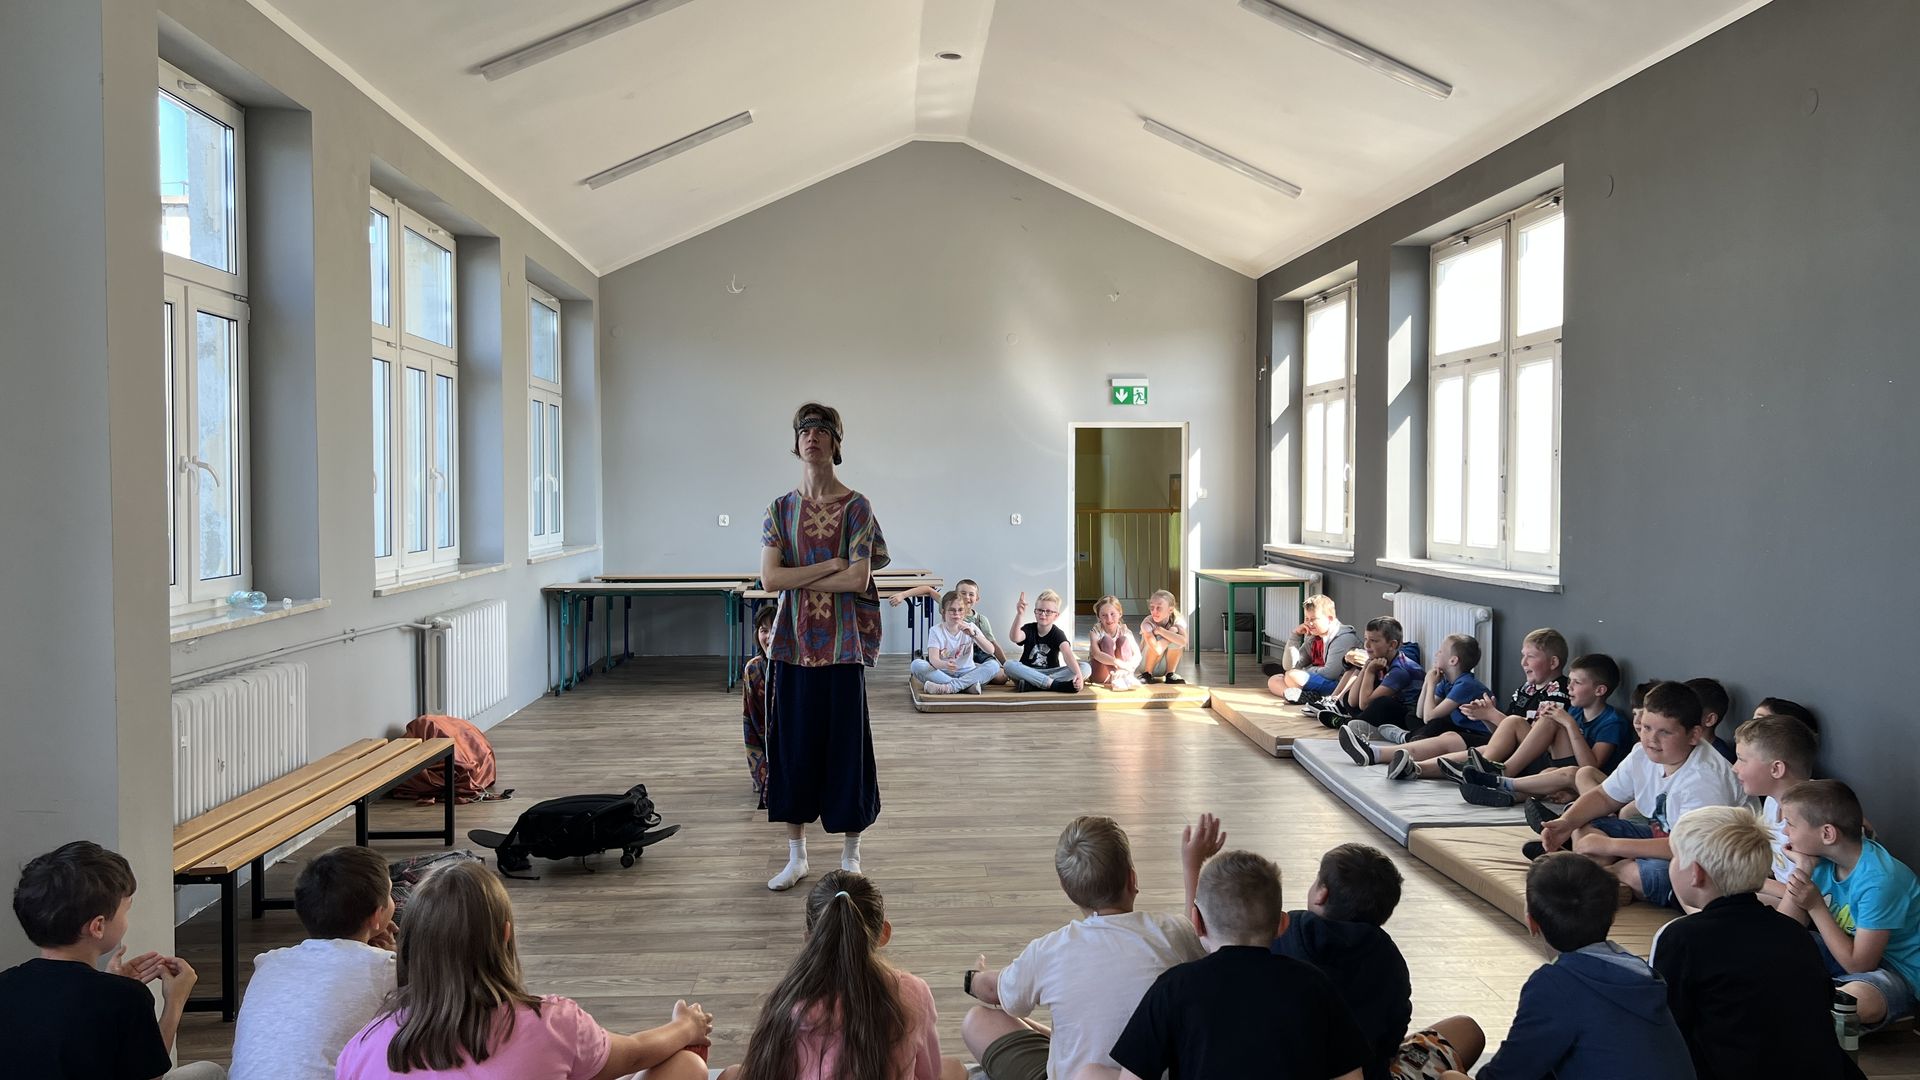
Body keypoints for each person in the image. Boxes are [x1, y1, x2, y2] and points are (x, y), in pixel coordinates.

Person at [337, 860, 709, 1080]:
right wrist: (686, 1027)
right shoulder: (553, 1023)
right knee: (686, 1065)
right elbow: (636, 1054)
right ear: (505, 936)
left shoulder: (362, 1048)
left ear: (411, 945)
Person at [1081, 847, 1370, 1080]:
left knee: (1089, 1073)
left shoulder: (1173, 986)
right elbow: (1351, 1076)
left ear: (1196, 922)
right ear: (1282, 924)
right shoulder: (1315, 984)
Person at [959, 815, 1210, 1080]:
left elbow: (994, 991)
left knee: (978, 1021)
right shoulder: (1172, 932)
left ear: (1066, 889)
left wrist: (973, 979)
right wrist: (1192, 866)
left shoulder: (1048, 951)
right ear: (1132, 879)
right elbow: (1196, 933)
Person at [758, 402, 889, 891]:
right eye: (805, 430)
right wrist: (830, 565)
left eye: (821, 429)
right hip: (792, 646)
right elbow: (770, 579)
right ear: (796, 443)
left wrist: (805, 575)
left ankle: (851, 855)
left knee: (846, 750)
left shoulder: (857, 507)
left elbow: (859, 579)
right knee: (793, 749)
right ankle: (797, 857)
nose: (812, 436)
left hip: (842, 647)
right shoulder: (780, 509)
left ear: (836, 442)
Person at [1440, 853, 1693, 1080]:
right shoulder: (1639, 970)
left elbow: (1512, 1070)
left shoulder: (1556, 984)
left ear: (1532, 923)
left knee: (1449, 1077)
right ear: (1613, 915)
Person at [1648, 806, 1856, 1080]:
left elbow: (1661, 1024)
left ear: (1696, 873)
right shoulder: (1794, 933)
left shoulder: (1679, 938)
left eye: (1675, 857)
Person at [0, 840, 221, 1080]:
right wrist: (175, 1003)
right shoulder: (126, 998)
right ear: (98, 926)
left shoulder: (6, 984)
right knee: (210, 1072)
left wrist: (110, 983)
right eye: (126, 911)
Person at [722, 871, 967, 1080]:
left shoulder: (788, 996)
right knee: (955, 1068)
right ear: (884, 933)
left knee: (732, 1073)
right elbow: (930, 1072)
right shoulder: (914, 991)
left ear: (809, 938)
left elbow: (765, 1068)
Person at [1272, 842, 1485, 1080]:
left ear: (1322, 894)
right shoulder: (1390, 960)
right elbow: (1391, 1039)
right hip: (1367, 1072)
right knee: (1466, 1029)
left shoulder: (1281, 933)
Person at [1535, 681, 1747, 909]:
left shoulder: (1705, 779)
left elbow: (1687, 849)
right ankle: (1596, 870)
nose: (1651, 739)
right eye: (1646, 728)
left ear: (1694, 735)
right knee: (1583, 819)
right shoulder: (1642, 754)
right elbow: (1604, 797)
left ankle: (1596, 872)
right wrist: (1565, 823)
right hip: (1661, 838)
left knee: (1652, 874)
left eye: (1664, 732)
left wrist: (1611, 846)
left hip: (1708, 864)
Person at [228, 846, 398, 1080]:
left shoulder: (269, 962)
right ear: (377, 915)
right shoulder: (385, 968)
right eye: (390, 893)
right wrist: (394, 957)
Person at [1776, 779, 1920, 1033]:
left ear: (1827, 834)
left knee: (1852, 1002)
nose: (1785, 832)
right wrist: (1803, 868)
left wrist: (1816, 906)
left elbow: (1860, 965)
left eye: (1790, 824)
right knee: (1770, 946)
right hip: (1844, 950)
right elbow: (1783, 933)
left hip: (1898, 972)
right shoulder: (1819, 860)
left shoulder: (1880, 881)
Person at [1452, 654, 1631, 805]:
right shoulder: (1576, 711)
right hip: (1558, 764)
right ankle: (1495, 781)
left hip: (1584, 778)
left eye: (1577, 682)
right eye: (1570, 681)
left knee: (1549, 734)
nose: (1569, 687)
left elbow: (1589, 767)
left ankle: (1503, 778)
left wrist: (1570, 725)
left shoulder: (1612, 722)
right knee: (1514, 722)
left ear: (1599, 690)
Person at [1362, 634, 1495, 781]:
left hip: (1480, 735)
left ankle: (1406, 739)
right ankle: (1410, 738)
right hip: (1460, 728)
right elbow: (1420, 713)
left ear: (1453, 660)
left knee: (1437, 723)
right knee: (1413, 716)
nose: (1436, 654)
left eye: (1441, 651)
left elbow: (1429, 717)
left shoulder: (1466, 684)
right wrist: (1427, 682)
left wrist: (1431, 684)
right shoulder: (1447, 681)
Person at [1728, 714, 1820, 905]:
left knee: (1723, 901)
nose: (1734, 768)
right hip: (1780, 894)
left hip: (1803, 905)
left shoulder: (1813, 816)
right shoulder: (1772, 801)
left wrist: (1755, 882)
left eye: (1742, 760)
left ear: (1776, 769)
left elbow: (1806, 891)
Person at [1446, 628, 1571, 752]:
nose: (1523, 662)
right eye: (1523, 655)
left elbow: (1537, 740)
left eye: (1531, 656)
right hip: (1512, 748)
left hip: (1536, 755)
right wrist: (1485, 717)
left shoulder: (1559, 691)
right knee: (1449, 747)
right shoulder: (1526, 689)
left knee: (1477, 751)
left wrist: (1492, 714)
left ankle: (1479, 764)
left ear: (1553, 662)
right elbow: (1503, 732)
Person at [1322, 616, 1423, 742]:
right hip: (1382, 711)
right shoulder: (1381, 661)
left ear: (1392, 645)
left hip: (1407, 717)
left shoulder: (1400, 670)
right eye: (1366, 639)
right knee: (1348, 696)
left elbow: (1364, 705)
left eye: (1374, 641)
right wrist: (1365, 668)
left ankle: (1348, 722)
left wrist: (1369, 671)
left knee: (1382, 703)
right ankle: (1361, 724)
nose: (1367, 645)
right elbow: (1352, 701)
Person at [892, 578, 1007, 677]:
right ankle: (969, 680)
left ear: (977, 598)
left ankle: (969, 677)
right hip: (951, 655)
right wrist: (903, 595)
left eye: (971, 594)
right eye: (963, 593)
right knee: (922, 665)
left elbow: (993, 645)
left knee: (1000, 676)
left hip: (975, 653)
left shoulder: (981, 620)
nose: (967, 597)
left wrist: (1005, 664)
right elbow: (928, 590)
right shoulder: (947, 604)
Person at [1263, 593, 1361, 703]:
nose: (1309, 623)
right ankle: (1300, 696)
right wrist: (1295, 636)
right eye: (1307, 618)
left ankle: (1308, 695)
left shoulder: (1343, 638)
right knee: (1274, 680)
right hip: (1320, 678)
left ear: (1330, 618)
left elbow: (1330, 673)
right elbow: (1290, 666)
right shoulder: (1314, 637)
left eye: (1314, 619)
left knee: (1292, 676)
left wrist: (1303, 671)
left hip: (1339, 684)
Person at [909, 590, 1003, 695]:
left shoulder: (971, 627)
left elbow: (990, 650)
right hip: (944, 674)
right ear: (944, 612)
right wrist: (944, 664)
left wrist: (973, 635)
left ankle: (950, 687)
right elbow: (933, 660)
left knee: (994, 665)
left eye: (960, 610)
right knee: (916, 665)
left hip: (968, 673)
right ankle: (966, 687)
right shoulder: (935, 630)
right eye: (952, 610)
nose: (957, 614)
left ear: (965, 612)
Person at [1005, 589, 1090, 693]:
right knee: (1008, 665)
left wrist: (1079, 676)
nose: (1043, 614)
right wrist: (1020, 614)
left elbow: (1067, 654)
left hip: (1051, 673)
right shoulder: (1029, 628)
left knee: (1085, 668)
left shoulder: (1058, 633)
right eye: (1040, 610)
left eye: (1048, 611)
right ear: (1035, 611)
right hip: (1028, 671)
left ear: (1056, 616)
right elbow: (1015, 638)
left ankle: (1033, 685)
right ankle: (1054, 685)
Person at [742, 605, 776, 808]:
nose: (769, 637)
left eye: (775, 629)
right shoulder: (753, 669)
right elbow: (751, 723)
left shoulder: (801, 668)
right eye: (764, 630)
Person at [1087, 595, 1144, 691]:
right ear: (1099, 617)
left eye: (1112, 614)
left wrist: (1128, 668)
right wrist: (1119, 663)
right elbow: (1096, 654)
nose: (1109, 619)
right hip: (1101, 674)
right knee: (1106, 640)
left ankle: (1126, 677)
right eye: (1104, 615)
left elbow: (1138, 655)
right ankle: (1116, 678)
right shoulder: (1095, 631)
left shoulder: (1124, 630)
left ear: (1120, 614)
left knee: (1123, 640)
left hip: (1121, 671)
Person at [1136, 590, 1190, 685]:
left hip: (1164, 666)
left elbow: (1184, 641)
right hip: (1145, 664)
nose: (1154, 611)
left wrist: (1163, 631)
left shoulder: (1178, 620)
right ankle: (1147, 674)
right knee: (1160, 638)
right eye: (1152, 607)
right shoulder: (1147, 623)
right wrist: (1171, 633)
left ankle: (1170, 674)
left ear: (1170, 610)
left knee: (1176, 639)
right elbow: (1157, 650)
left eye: (1159, 608)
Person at [1685, 677, 1735, 763]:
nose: (1677, 716)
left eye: (1685, 710)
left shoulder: (1720, 758)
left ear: (1710, 720)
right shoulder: (1682, 747)